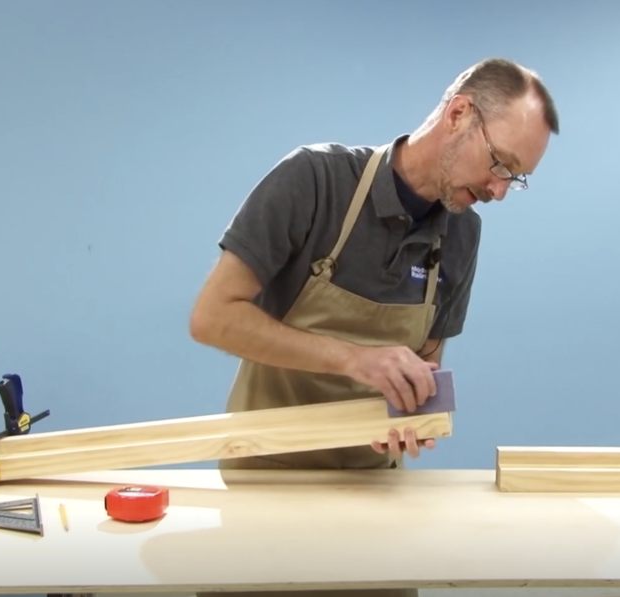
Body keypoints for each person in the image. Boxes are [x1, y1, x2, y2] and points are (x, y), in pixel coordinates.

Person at [189, 57, 559, 597]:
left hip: (374, 495)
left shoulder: (461, 236)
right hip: (265, 484)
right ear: (459, 113)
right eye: (500, 165)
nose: (500, 190)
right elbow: (212, 317)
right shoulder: (314, 181)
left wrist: (416, 412)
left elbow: (427, 365)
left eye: (516, 179)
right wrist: (352, 358)